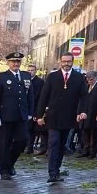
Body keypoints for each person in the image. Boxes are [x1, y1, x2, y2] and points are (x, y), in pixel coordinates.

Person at [36, 53, 89, 183]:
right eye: (64, 61)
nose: (66, 64)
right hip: (53, 116)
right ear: (60, 62)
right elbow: (44, 96)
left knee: (61, 145)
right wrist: (39, 115)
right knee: (53, 143)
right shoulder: (52, 77)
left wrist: (83, 111)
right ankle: (52, 173)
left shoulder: (78, 78)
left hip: (69, 116)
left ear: (72, 62)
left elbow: (84, 96)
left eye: (69, 61)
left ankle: (57, 170)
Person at [0, 52, 34, 181]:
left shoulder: (26, 75)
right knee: (4, 144)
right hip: (5, 116)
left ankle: (9, 164)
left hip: (21, 116)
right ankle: (4, 170)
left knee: (22, 141)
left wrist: (30, 112)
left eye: (18, 62)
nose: (16, 64)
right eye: (13, 62)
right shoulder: (1, 77)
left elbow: (30, 95)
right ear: (8, 63)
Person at [26, 65, 45, 154]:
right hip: (25, 108)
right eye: (29, 70)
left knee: (32, 130)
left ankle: (30, 147)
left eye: (32, 70)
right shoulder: (25, 80)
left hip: (34, 108)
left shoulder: (39, 82)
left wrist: (36, 113)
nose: (30, 72)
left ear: (35, 71)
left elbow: (39, 98)